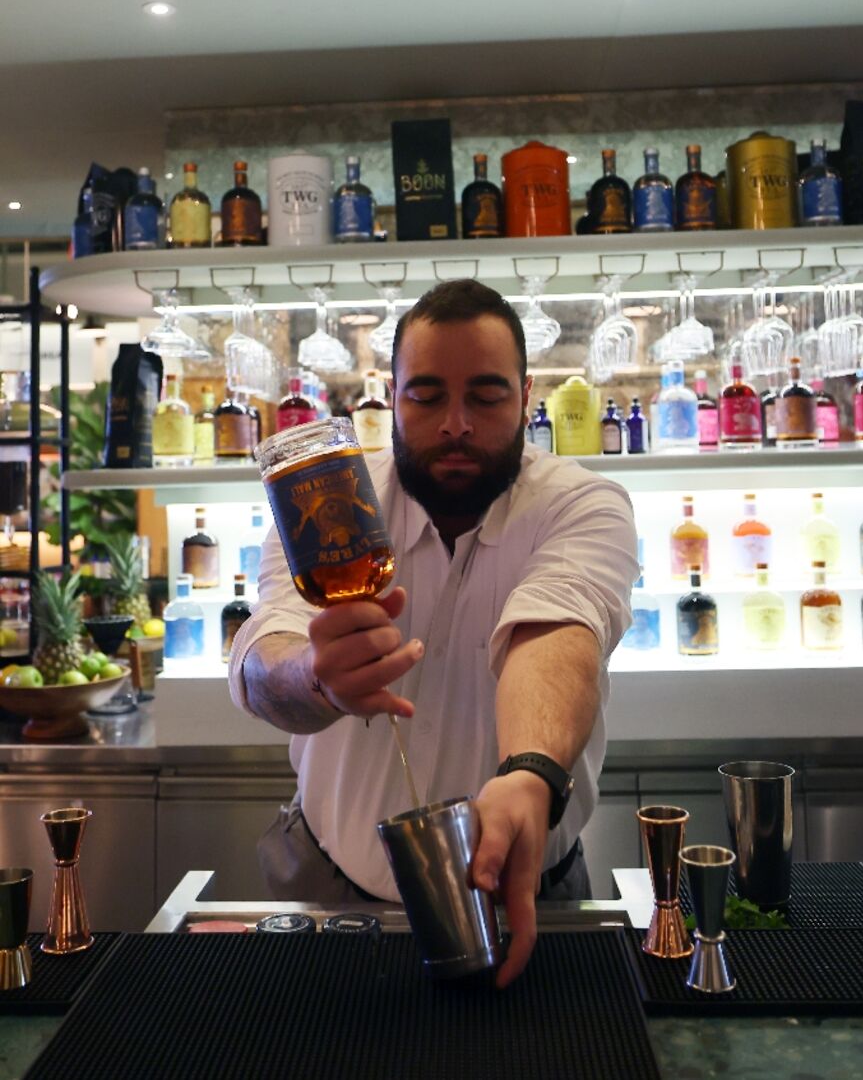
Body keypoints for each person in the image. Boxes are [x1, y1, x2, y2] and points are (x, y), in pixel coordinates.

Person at [229, 279, 637, 987]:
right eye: (426, 397)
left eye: (486, 396)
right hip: (330, 895)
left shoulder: (580, 503)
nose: (456, 425)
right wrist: (314, 677)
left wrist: (530, 772)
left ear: (526, 395)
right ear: (392, 395)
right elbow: (267, 653)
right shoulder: (329, 504)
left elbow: (557, 632)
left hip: (527, 897)